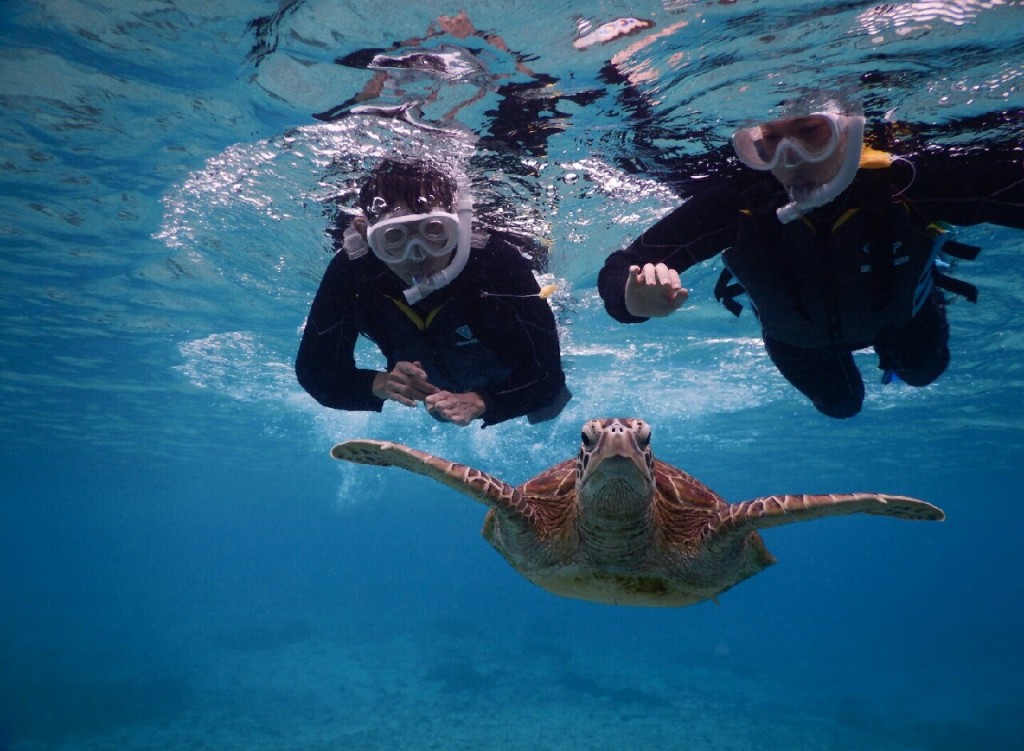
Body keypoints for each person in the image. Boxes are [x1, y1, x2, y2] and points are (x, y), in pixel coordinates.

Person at [599, 91, 1024, 418]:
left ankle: (922, 306)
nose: (791, 159)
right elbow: (621, 266)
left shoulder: (902, 183)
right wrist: (632, 301)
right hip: (796, 343)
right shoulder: (735, 203)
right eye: (771, 142)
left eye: (810, 133)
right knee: (841, 406)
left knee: (924, 371)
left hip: (904, 320)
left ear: (848, 132)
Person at [296, 158, 570, 427]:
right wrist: (382, 383)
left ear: (459, 224)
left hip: (505, 375)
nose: (418, 256)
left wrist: (481, 402)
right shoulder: (352, 271)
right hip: (436, 379)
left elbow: (547, 377)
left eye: (434, 231)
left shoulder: (494, 261)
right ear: (365, 232)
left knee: (548, 406)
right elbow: (317, 374)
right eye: (394, 237)